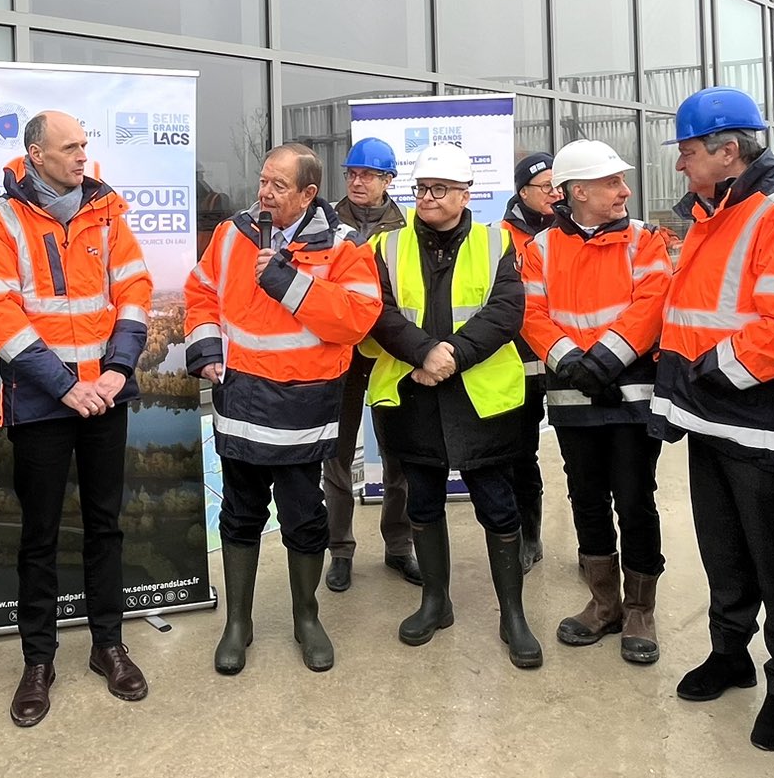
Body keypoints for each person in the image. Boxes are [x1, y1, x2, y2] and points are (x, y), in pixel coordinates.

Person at [653, 87, 774, 753]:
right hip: (716, 421)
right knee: (724, 554)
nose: (679, 166)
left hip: (766, 425)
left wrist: (704, 373)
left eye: (686, 152)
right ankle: (729, 653)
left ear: (727, 150)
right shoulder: (712, 216)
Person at [0, 111, 152, 729]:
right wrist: (66, 387)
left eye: (84, 145)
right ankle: (38, 662)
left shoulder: (108, 212)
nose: (82, 156)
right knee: (39, 535)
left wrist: (117, 373)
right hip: (42, 404)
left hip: (106, 394)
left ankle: (108, 647)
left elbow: (135, 293)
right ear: (35, 154)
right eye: (69, 147)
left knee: (107, 525)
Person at [187, 142, 381, 675]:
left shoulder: (344, 248)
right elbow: (201, 290)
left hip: (305, 411)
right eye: (263, 181)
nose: (264, 193)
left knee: (304, 520)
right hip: (242, 403)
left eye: (278, 185)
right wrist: (205, 350)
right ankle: (238, 625)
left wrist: (287, 283)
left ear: (308, 193)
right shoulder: (233, 234)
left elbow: (356, 319)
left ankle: (306, 618)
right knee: (240, 516)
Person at [363, 145, 538, 669]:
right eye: (421, 189)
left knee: (497, 505)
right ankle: (435, 602)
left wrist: (452, 355)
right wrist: (421, 352)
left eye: (440, 189)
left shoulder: (497, 241)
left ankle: (513, 614)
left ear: (465, 195)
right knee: (422, 501)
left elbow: (507, 311)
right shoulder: (384, 246)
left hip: (479, 400)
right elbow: (378, 311)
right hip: (412, 395)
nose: (428, 199)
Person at [517, 139, 671, 663]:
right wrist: (574, 365)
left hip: (630, 396)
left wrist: (604, 359)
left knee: (634, 496)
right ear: (577, 192)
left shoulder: (644, 239)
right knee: (585, 497)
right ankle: (603, 603)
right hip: (574, 395)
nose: (624, 190)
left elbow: (653, 302)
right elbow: (533, 314)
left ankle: (640, 609)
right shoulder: (540, 248)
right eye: (611, 183)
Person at [321, 136, 416, 592]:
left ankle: (399, 547)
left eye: (369, 175)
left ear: (388, 180)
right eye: (352, 174)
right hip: (338, 352)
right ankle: (340, 550)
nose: (358, 182)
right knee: (336, 458)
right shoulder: (322, 221)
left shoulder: (409, 226)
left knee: (398, 455)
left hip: (390, 352)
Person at [499, 152, 556, 573]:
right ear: (522, 193)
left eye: (560, 185)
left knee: (584, 461)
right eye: (545, 187)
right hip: (523, 363)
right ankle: (529, 537)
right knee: (521, 453)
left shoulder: (573, 231)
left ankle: (596, 550)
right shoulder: (501, 237)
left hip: (573, 360)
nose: (556, 194)